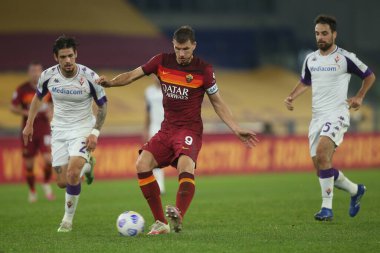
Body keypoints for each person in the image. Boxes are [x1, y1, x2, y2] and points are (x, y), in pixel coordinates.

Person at [97, 25, 258, 235]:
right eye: (177, 49)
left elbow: (217, 102)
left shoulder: (204, 70)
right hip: (167, 130)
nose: (181, 54)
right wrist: (110, 83)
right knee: (142, 164)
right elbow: (132, 75)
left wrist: (236, 128)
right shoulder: (162, 61)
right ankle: (161, 222)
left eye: (186, 49)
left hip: (189, 130)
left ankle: (178, 214)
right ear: (173, 46)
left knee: (185, 166)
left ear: (194, 47)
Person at [284, 15, 376, 221]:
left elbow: (369, 75)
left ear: (334, 34)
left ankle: (327, 208)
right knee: (321, 167)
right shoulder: (311, 59)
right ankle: (355, 190)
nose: (320, 37)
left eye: (324, 33)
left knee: (323, 153)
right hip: (317, 118)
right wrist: (291, 96)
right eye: (317, 33)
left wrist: (360, 96)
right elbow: (305, 81)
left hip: (337, 115)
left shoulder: (345, 57)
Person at [23, 35, 108, 232]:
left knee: (71, 173)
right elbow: (37, 99)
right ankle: (87, 167)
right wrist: (29, 124)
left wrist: (95, 132)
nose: (68, 60)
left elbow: (103, 107)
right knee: (62, 182)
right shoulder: (48, 76)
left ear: (76, 54)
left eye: (71, 55)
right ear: (56, 57)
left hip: (82, 129)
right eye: (63, 57)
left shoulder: (90, 77)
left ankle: (67, 221)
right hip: (59, 130)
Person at [10, 62, 55, 203]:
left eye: (38, 71)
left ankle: (46, 183)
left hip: (44, 128)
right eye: (33, 71)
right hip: (28, 129)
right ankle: (32, 191)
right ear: (29, 73)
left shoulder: (49, 88)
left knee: (48, 159)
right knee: (29, 163)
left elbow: (55, 103)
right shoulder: (22, 89)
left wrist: (51, 111)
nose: (36, 73)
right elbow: (13, 107)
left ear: (42, 72)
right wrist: (27, 112)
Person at [143, 75, 165, 194]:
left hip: (169, 125)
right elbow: (147, 111)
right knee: (155, 157)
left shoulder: (169, 89)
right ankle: (160, 186)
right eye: (155, 76)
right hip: (154, 127)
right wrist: (146, 128)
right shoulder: (148, 91)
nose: (157, 78)